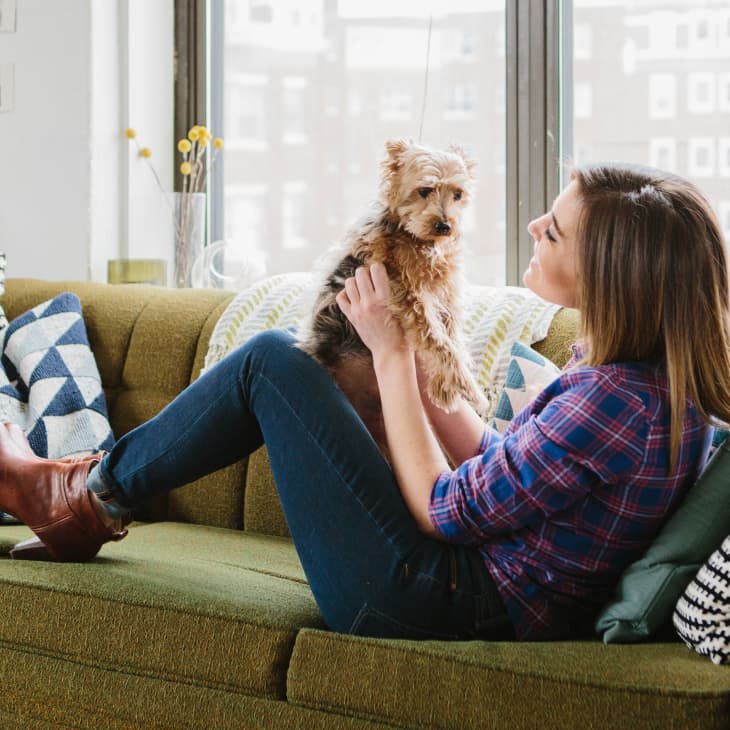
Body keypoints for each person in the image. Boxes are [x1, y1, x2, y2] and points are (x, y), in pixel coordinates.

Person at [2, 162, 730, 641]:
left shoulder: (616, 405)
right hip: (460, 583)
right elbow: (498, 467)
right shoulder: (639, 385)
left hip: (428, 597)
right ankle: (85, 499)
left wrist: (387, 355)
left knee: (270, 364)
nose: (537, 228)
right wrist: (407, 352)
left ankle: (76, 496)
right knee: (286, 362)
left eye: (557, 228)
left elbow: (449, 509)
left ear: (611, 275)